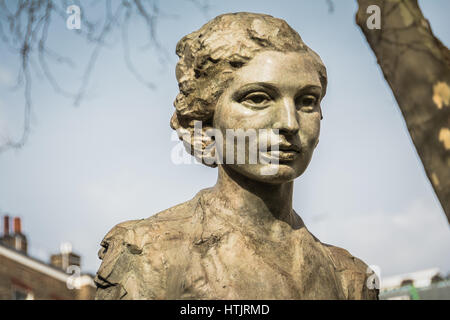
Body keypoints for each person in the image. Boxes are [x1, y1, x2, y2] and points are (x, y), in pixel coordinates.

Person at [94, 12, 379, 300]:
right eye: (257, 98)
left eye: (307, 101)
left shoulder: (351, 280)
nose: (290, 123)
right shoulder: (148, 252)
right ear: (204, 125)